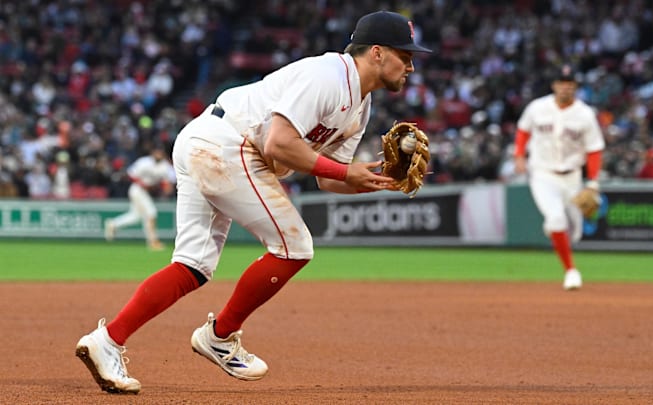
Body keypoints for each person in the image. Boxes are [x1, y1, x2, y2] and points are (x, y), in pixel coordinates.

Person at [75, 10, 431, 394]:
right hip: (228, 144)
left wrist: (380, 181)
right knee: (295, 247)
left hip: (210, 141)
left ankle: (107, 340)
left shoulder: (360, 106)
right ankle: (221, 336)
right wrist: (348, 173)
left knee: (192, 266)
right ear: (376, 52)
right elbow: (279, 143)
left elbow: (327, 179)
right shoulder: (330, 76)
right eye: (404, 54)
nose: (410, 65)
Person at [513, 63, 605, 291]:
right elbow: (523, 130)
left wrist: (592, 182)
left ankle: (555, 227)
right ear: (554, 85)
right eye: (561, 83)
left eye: (570, 84)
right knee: (556, 220)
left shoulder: (585, 114)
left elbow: (594, 150)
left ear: (575, 87)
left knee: (574, 235)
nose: (565, 88)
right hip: (542, 174)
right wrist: (518, 155)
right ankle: (571, 271)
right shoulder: (537, 108)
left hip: (573, 177)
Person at [104, 145, 176, 251]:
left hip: (146, 192)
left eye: (160, 153)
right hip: (137, 189)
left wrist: (166, 188)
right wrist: (142, 183)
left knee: (135, 216)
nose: (158, 155)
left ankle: (113, 224)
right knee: (151, 213)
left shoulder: (165, 166)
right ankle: (153, 242)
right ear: (152, 153)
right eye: (156, 152)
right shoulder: (144, 162)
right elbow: (131, 174)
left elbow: (170, 181)